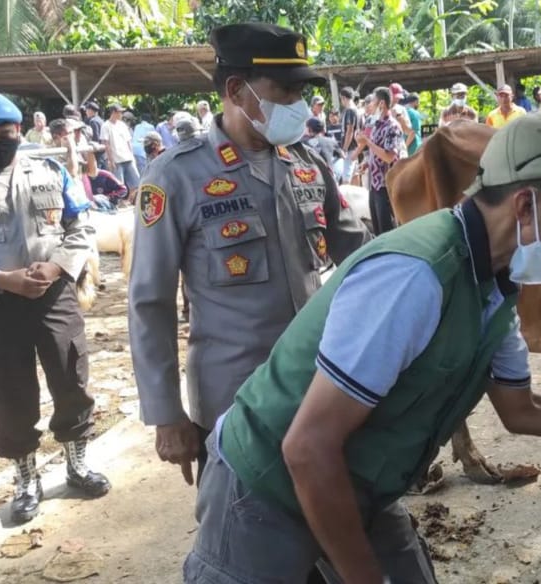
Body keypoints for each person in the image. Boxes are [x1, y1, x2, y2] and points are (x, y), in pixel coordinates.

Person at [186, 113, 541, 583]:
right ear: (526, 204)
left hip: (356, 485)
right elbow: (306, 449)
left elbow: (521, 409)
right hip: (263, 493)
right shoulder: (415, 277)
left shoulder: (495, 283)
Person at [128, 22, 370, 513]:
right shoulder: (176, 176)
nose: (299, 103)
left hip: (314, 384)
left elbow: (359, 251)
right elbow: (149, 302)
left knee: (326, 520)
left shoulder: (306, 164)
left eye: (302, 89)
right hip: (233, 399)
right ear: (237, 91)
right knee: (244, 533)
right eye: (285, 90)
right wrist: (166, 413)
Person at [0, 89, 109, 525]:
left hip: (54, 295)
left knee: (71, 376)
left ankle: (76, 464)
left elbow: (81, 223)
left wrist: (57, 267)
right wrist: (1, 280)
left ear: (18, 131)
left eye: (5, 134)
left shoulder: (49, 171)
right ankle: (26, 478)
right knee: (10, 393)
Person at [355, 86, 406, 235]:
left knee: (387, 229)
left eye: (374, 101)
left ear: (381, 104)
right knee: (377, 229)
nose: (370, 105)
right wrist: (367, 162)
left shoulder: (392, 126)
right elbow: (376, 151)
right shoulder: (376, 124)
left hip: (386, 185)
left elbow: (389, 156)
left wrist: (368, 142)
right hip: (374, 184)